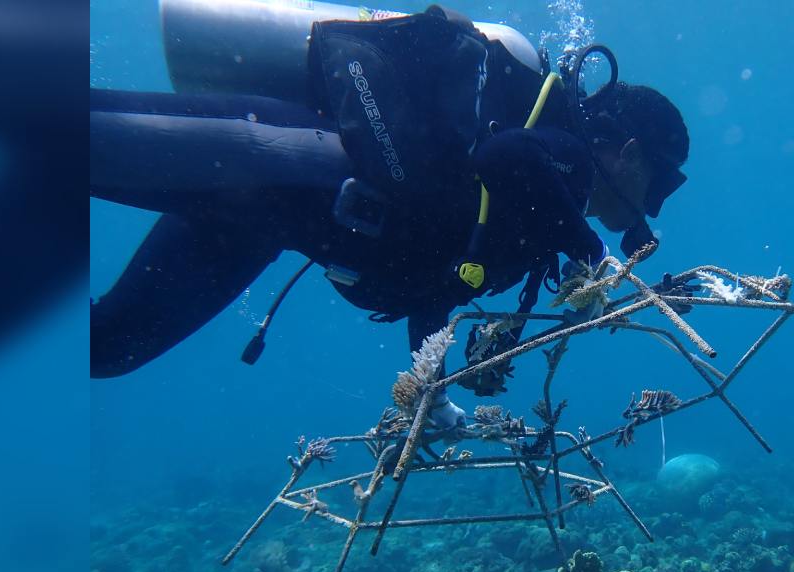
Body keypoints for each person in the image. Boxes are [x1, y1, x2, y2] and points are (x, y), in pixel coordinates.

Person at [90, 3, 689, 427]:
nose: (650, 208)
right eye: (658, 185)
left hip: (265, 220)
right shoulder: (567, 159)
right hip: (278, 156)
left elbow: (437, 281)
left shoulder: (542, 218)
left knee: (110, 348)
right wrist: (590, 250)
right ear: (631, 155)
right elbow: (506, 155)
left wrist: (430, 389)